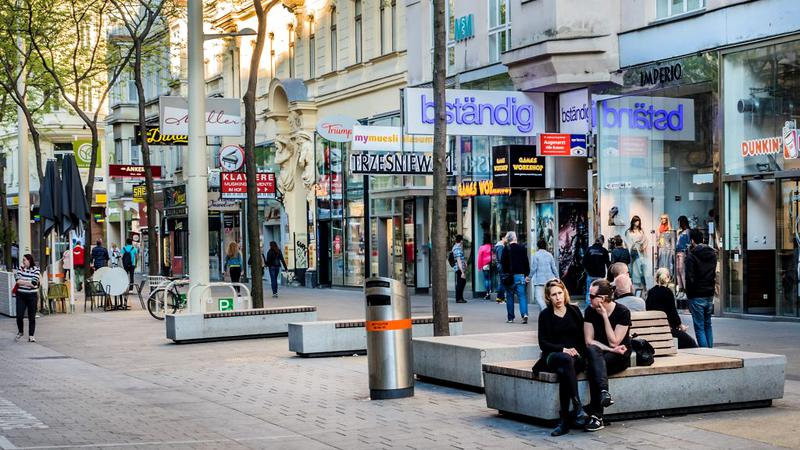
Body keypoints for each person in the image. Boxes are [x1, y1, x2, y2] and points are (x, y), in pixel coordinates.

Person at [534, 279, 589, 436]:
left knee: (565, 369)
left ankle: (564, 421)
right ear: (548, 297)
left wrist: (578, 352)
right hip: (553, 355)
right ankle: (577, 407)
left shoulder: (574, 311)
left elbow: (582, 339)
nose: (558, 297)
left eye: (560, 293)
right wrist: (563, 349)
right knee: (565, 361)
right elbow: (543, 343)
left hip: (574, 358)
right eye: (554, 295)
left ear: (564, 293)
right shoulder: (545, 315)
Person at [583, 279, 632, 431]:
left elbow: (614, 342)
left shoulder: (623, 312)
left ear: (603, 298)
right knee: (593, 353)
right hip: (600, 354)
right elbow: (589, 341)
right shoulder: (590, 311)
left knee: (594, 367)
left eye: (592, 296)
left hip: (619, 357)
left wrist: (605, 317)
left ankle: (596, 415)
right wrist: (610, 350)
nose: (589, 299)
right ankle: (604, 393)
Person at [646, 268, 697, 349]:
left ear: (656, 278)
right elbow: (673, 313)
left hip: (654, 329)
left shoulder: (651, 292)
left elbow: (648, 310)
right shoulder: (668, 292)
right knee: (691, 342)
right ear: (668, 278)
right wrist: (681, 326)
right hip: (667, 329)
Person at [685, 228, 717, 348]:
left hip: (696, 294)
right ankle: (711, 351)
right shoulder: (712, 254)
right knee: (708, 324)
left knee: (699, 327)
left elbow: (689, 278)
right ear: (703, 239)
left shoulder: (691, 256)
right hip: (709, 293)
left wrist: (689, 296)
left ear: (692, 241)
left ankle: (705, 353)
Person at [500, 231, 530, 323]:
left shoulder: (506, 249)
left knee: (509, 296)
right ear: (515, 238)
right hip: (520, 276)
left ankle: (510, 318)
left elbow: (503, 263)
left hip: (509, 277)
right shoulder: (522, 248)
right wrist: (526, 274)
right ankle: (524, 314)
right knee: (522, 296)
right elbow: (526, 262)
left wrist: (505, 273)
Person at [14, 254, 40, 343]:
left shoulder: (36, 270)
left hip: (32, 296)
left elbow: (34, 283)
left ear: (29, 260)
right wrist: (28, 283)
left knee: (32, 316)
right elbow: (17, 281)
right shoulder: (20, 269)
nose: (23, 262)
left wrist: (23, 282)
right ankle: (20, 331)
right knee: (19, 316)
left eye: (24, 260)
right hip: (20, 295)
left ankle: (31, 335)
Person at [530, 238, 558, 311]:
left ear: (538, 246)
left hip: (539, 281)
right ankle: (543, 315)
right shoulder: (549, 255)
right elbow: (554, 268)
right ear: (545, 246)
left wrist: (529, 277)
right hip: (550, 280)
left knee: (538, 297)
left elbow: (534, 268)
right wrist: (557, 278)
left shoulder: (536, 255)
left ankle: (545, 310)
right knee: (547, 298)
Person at [583, 236, 610, 306]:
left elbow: (584, 262)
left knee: (589, 290)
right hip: (600, 275)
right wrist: (609, 275)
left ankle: (589, 305)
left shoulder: (589, 249)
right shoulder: (604, 250)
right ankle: (599, 304)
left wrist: (587, 271)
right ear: (602, 241)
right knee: (600, 291)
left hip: (590, 274)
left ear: (595, 241)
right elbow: (608, 264)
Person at [625, 216, 648, 289]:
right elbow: (627, 242)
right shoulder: (628, 231)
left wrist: (643, 247)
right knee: (630, 269)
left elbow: (645, 240)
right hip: (632, 251)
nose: (637, 222)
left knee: (640, 269)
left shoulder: (641, 231)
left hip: (639, 252)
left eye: (638, 221)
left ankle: (644, 286)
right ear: (633, 222)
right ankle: (630, 286)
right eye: (636, 221)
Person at [675, 216, 691, 295]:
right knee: (677, 270)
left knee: (682, 270)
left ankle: (685, 289)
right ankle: (680, 288)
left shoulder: (687, 231)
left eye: (679, 222)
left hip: (683, 252)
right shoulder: (680, 232)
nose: (678, 224)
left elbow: (688, 242)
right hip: (677, 252)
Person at [451, 235, 467, 304]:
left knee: (462, 282)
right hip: (459, 268)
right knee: (460, 283)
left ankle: (460, 297)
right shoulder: (457, 248)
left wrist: (464, 263)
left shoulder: (456, 247)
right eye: (462, 240)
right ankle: (458, 298)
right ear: (461, 240)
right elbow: (458, 260)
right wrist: (462, 271)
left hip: (459, 268)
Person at [494, 235, 508, 304]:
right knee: (502, 283)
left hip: (500, 266)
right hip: (502, 267)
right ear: (502, 238)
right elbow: (501, 258)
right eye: (506, 238)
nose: (507, 239)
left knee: (502, 282)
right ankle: (500, 298)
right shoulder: (500, 247)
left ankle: (500, 298)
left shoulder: (500, 246)